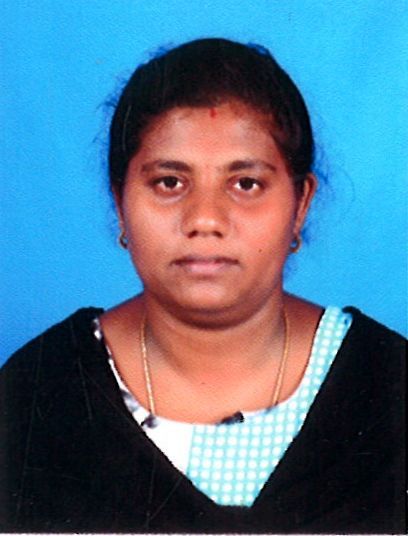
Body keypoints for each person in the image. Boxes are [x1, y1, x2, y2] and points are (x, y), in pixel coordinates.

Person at [0, 38, 405, 533]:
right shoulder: (39, 393)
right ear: (120, 202)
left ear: (300, 204)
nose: (205, 219)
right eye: (169, 182)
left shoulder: (388, 386)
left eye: (246, 184)